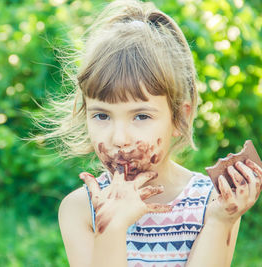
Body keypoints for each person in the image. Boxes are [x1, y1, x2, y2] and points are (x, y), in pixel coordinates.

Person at [38, 0, 262, 266]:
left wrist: (220, 220)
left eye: (141, 116)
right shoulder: (80, 209)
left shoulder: (213, 203)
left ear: (181, 117)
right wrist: (112, 227)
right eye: (101, 115)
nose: (119, 139)